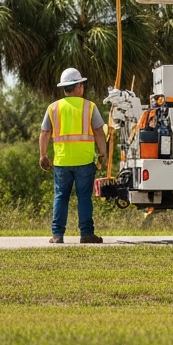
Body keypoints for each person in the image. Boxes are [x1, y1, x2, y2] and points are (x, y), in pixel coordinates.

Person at [39, 67, 108, 244]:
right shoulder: (89, 107)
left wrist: (43, 155)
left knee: (61, 196)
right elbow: (99, 131)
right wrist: (103, 153)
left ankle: (57, 235)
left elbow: (45, 132)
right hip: (84, 160)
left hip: (62, 161)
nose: (83, 87)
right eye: (81, 84)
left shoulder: (53, 108)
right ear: (77, 86)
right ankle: (86, 234)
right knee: (84, 197)